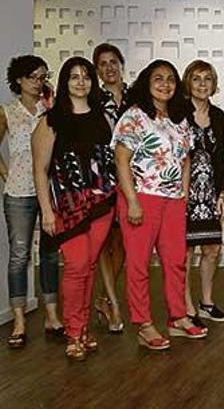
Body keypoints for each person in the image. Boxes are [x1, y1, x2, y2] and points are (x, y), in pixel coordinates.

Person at [113, 60, 207, 350]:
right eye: (158, 78)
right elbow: (121, 160)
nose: (165, 84)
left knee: (176, 260)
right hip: (141, 197)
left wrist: (184, 191)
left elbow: (186, 157)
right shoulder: (134, 116)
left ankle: (178, 317)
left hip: (172, 201)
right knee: (139, 264)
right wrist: (132, 202)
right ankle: (143, 324)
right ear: (147, 82)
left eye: (170, 79)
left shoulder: (179, 118)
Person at [32, 57, 117, 360]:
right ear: (65, 82)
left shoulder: (103, 118)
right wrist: (46, 211)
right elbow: (40, 170)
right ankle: (73, 331)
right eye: (74, 77)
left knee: (89, 266)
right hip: (67, 208)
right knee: (77, 266)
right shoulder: (51, 120)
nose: (81, 82)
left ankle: (83, 330)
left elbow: (111, 161)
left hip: (102, 205)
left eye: (86, 77)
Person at [2, 55, 63, 348]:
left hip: (50, 190)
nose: (39, 83)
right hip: (19, 192)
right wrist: (7, 174)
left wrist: (51, 106)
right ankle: (19, 320)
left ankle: (52, 314)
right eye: (33, 77)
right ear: (18, 81)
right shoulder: (7, 112)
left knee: (50, 253)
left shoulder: (50, 109)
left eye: (42, 76)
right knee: (19, 254)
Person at [181, 60, 224, 325]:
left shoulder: (219, 116)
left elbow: (221, 157)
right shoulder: (178, 113)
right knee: (185, 253)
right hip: (184, 194)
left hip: (210, 194)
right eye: (196, 78)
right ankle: (187, 306)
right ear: (188, 82)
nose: (202, 84)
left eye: (207, 79)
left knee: (211, 249)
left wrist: (221, 193)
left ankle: (207, 302)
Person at [92, 43, 128, 333]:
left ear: (121, 64)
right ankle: (114, 304)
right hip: (102, 178)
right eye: (102, 63)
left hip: (132, 178)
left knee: (125, 243)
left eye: (113, 61)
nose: (109, 67)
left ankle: (104, 298)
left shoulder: (136, 96)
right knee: (104, 241)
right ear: (97, 70)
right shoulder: (92, 99)